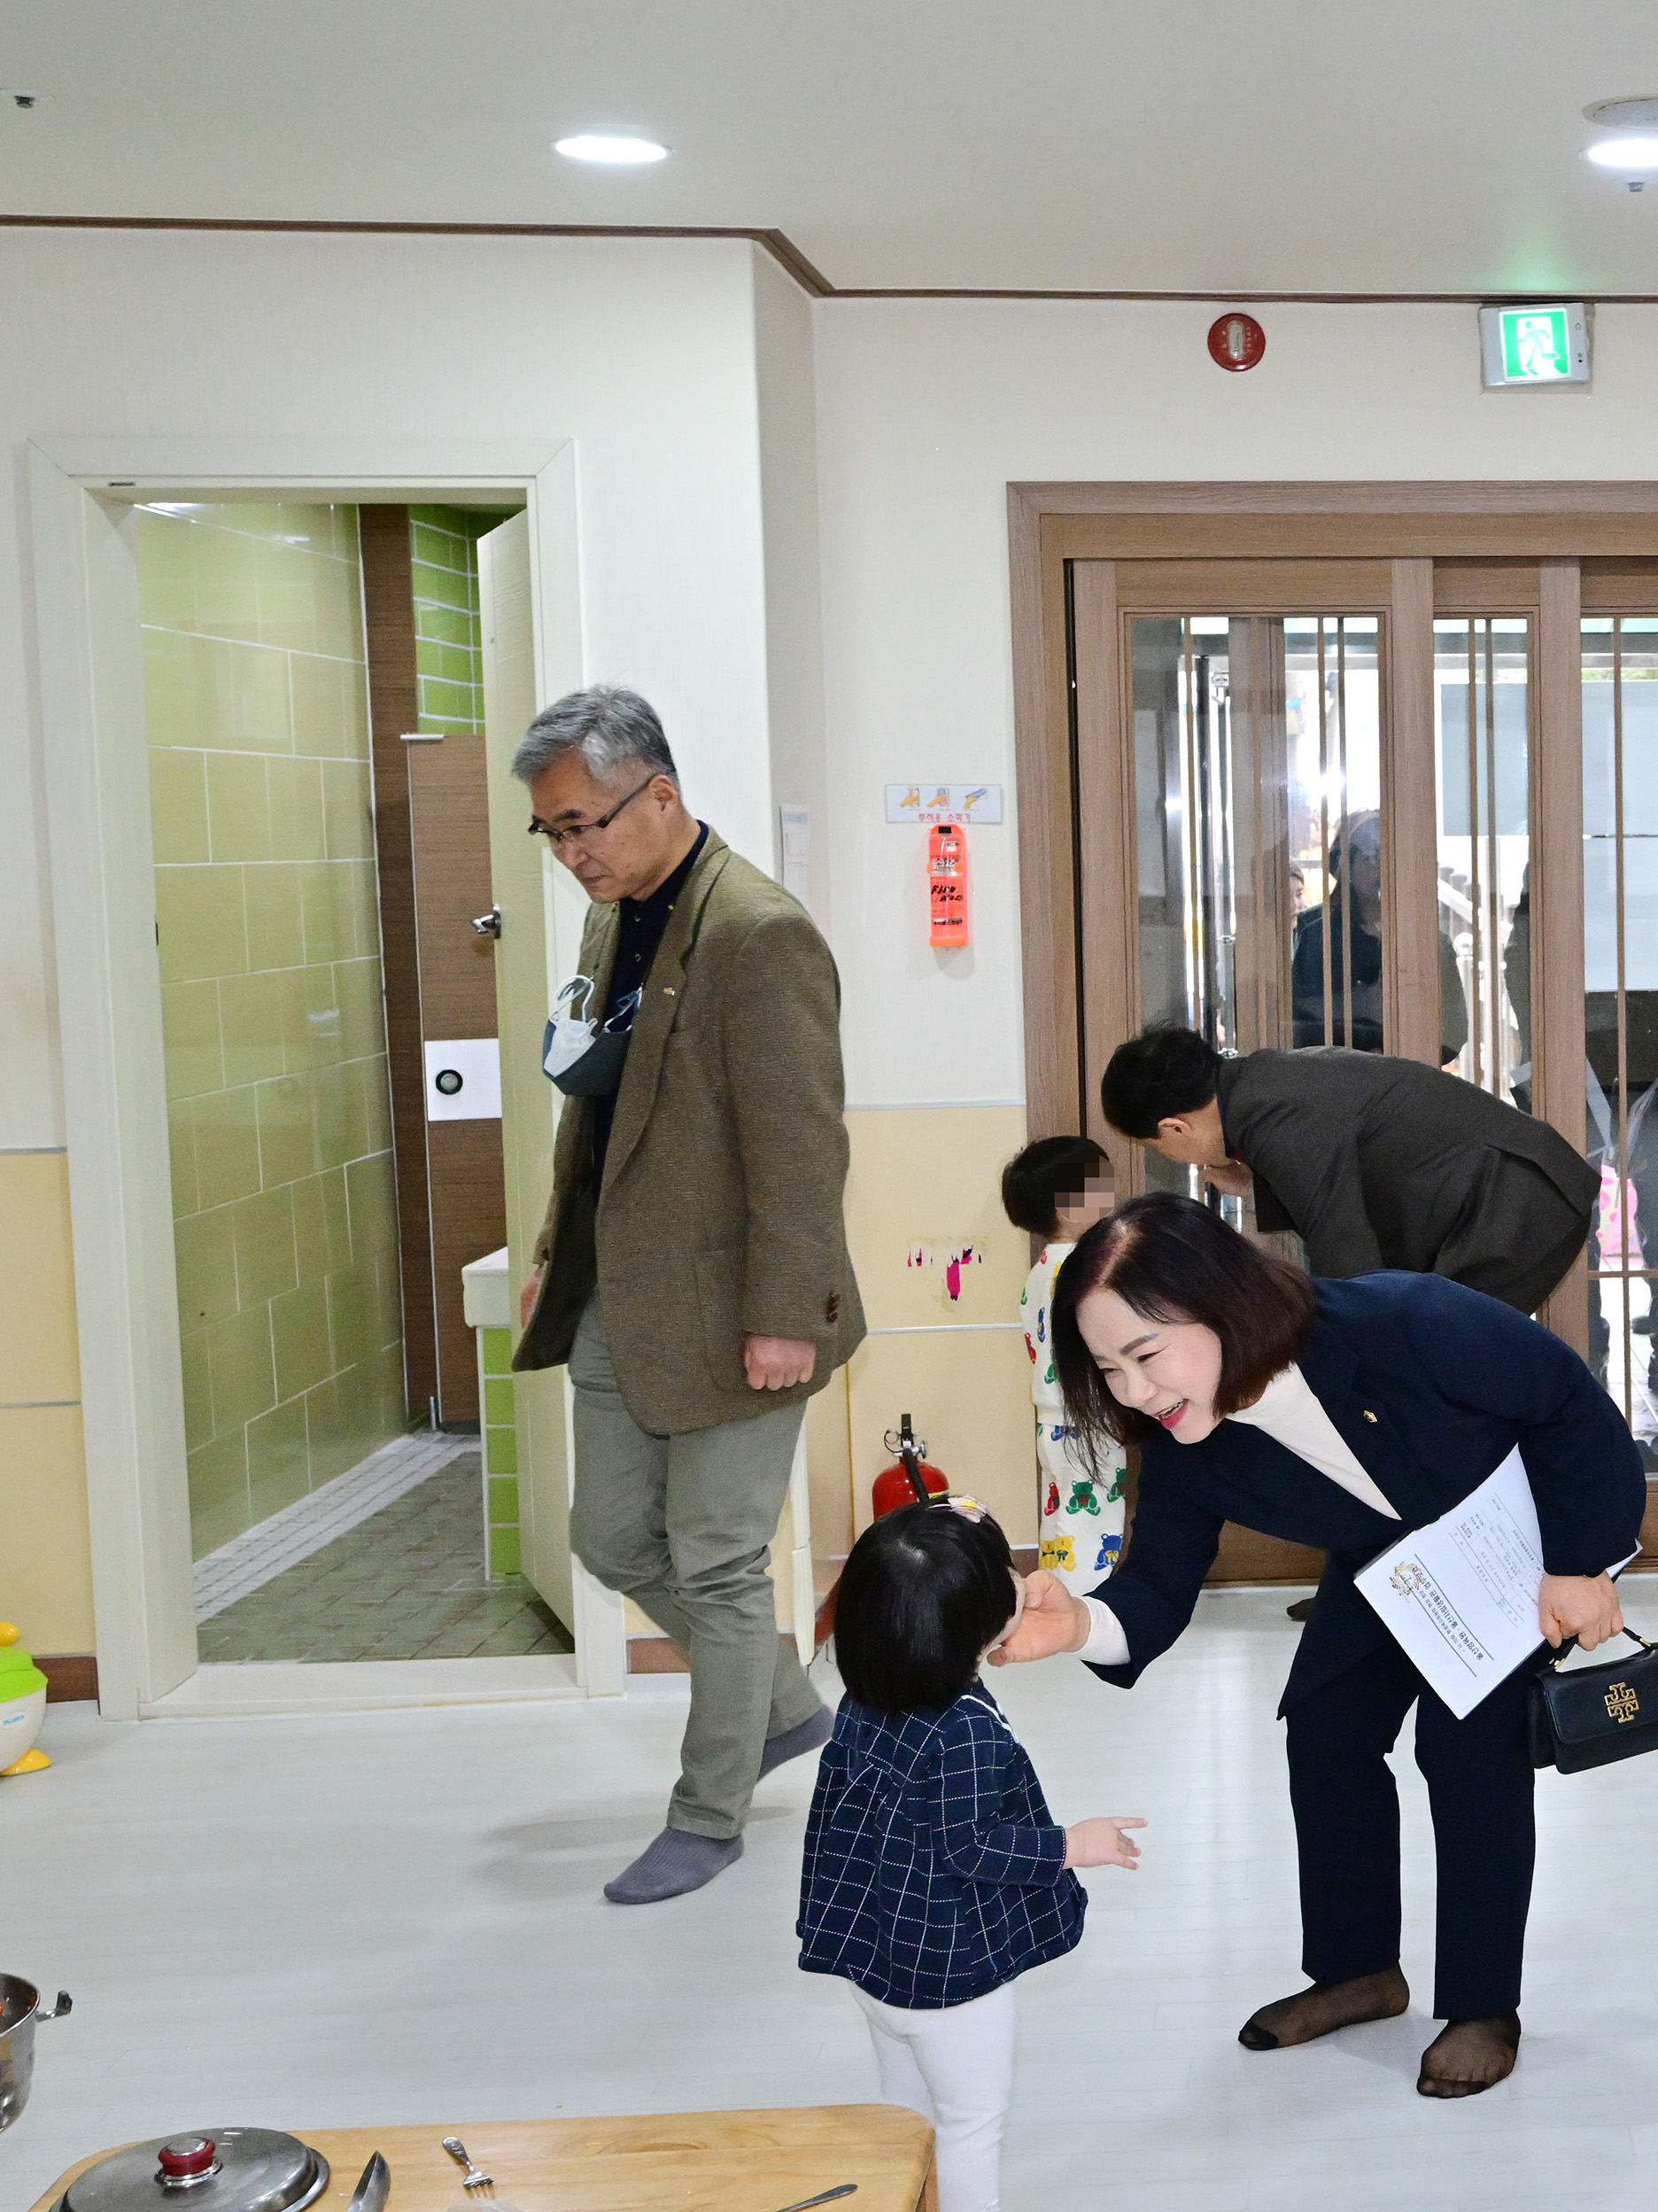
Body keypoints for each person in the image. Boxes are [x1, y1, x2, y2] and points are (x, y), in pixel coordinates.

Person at [988, 1193, 1645, 2098]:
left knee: (1465, 1751)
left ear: (1222, 1302)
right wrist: (1078, 1624)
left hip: (1513, 1545)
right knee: (1327, 1729)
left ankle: (1482, 2005)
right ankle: (1358, 1970)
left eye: (1146, 1355)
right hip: (1388, 1561)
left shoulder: (1405, 1321)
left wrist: (1580, 1564)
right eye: (1109, 1369)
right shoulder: (1183, 1436)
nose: (1134, 1391)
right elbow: (1155, 1588)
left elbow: (1569, 1405)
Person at [507, 685, 864, 1905]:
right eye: (552, 833)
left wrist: (784, 1317)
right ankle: (774, 1701)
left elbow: (802, 1149)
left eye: (586, 824)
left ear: (658, 792)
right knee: (605, 1535)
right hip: (622, 1286)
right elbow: (593, 1117)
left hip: (738, 1305)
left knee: (715, 1564)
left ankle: (709, 1812)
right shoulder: (612, 920)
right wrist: (556, 1252)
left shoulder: (759, 934)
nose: (573, 854)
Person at [799, 1499, 1141, 2212]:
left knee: (908, 2115)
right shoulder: (964, 1733)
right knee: (972, 2122)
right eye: (1006, 1578)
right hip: (950, 1975)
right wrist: (1074, 1844)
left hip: (878, 1951)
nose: (1022, 1578)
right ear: (980, 1629)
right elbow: (972, 1845)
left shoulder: (867, 1696)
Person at [1099, 1026, 1598, 1317]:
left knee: (1441, 1362)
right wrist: (1252, 1185)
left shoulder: (1271, 1113)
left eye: (1156, 1145)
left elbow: (1344, 1249)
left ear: (1175, 1127)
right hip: (1508, 1195)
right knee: (1440, 1363)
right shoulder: (1260, 1082)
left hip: (1514, 1203)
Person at [1002, 1137, 1125, 1579]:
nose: (1112, 1198)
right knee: (1093, 1517)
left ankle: (1056, 1590)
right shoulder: (1086, 1268)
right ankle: (1084, 1605)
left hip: (1052, 1417)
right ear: (1069, 1207)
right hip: (1085, 1414)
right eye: (1100, 1187)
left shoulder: (1040, 1270)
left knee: (1060, 1511)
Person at [1291, 809, 1468, 1063]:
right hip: (1339, 1079)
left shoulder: (1432, 942)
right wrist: (1364, 1057)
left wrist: (1407, 1058)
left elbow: (1454, 1029)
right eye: (1369, 857)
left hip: (1411, 1077)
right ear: (1347, 865)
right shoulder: (1319, 937)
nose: (1380, 867)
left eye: (1388, 857)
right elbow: (1303, 1019)